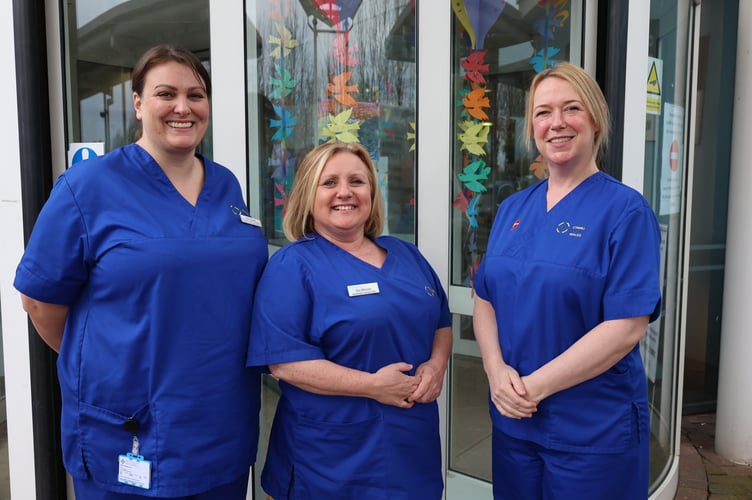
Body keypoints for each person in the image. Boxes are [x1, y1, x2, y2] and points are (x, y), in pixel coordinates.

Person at [14, 45, 268, 499]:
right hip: (129, 428)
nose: (182, 107)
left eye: (196, 94)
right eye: (165, 93)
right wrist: (109, 363)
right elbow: (39, 300)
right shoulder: (87, 187)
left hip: (219, 428)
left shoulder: (227, 185)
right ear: (137, 102)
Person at [472, 62, 662, 500]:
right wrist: (496, 371)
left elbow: (626, 328)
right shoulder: (511, 209)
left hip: (592, 431)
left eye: (570, 108)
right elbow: (485, 299)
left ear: (594, 119)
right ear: (532, 128)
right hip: (516, 424)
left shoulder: (626, 213)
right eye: (542, 112)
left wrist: (533, 388)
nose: (555, 123)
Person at [247, 142, 452, 499]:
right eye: (329, 183)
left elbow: (441, 323)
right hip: (330, 459)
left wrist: (436, 366)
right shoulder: (292, 267)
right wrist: (372, 385)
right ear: (309, 195)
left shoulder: (407, 255)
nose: (345, 192)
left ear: (372, 192)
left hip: (411, 447)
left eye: (357, 181)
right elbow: (286, 364)